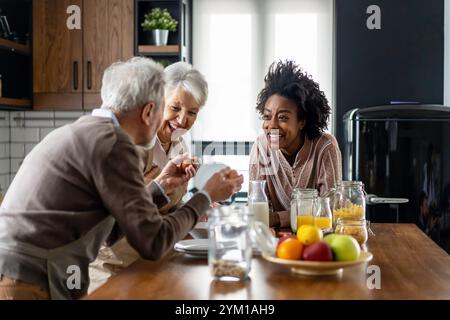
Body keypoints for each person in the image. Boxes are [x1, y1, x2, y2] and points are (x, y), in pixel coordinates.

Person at [0, 57, 243, 300]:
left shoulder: (88, 131)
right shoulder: (115, 144)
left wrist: (160, 187)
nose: (176, 121)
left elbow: (112, 228)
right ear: (149, 111)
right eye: (165, 108)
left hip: (24, 271)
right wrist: (206, 195)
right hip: (29, 278)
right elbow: (153, 240)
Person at [88, 62, 209, 293]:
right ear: (158, 101)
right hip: (113, 268)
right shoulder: (134, 143)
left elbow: (166, 208)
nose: (183, 120)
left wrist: (199, 209)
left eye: (192, 112)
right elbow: (115, 217)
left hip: (152, 263)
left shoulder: (180, 146)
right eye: (175, 107)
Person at [249, 60, 341, 228]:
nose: (272, 126)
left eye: (283, 117)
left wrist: (277, 218)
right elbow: (257, 209)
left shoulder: (325, 147)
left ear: (301, 122)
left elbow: (330, 209)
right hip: (275, 240)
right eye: (267, 116)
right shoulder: (261, 147)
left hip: (318, 238)